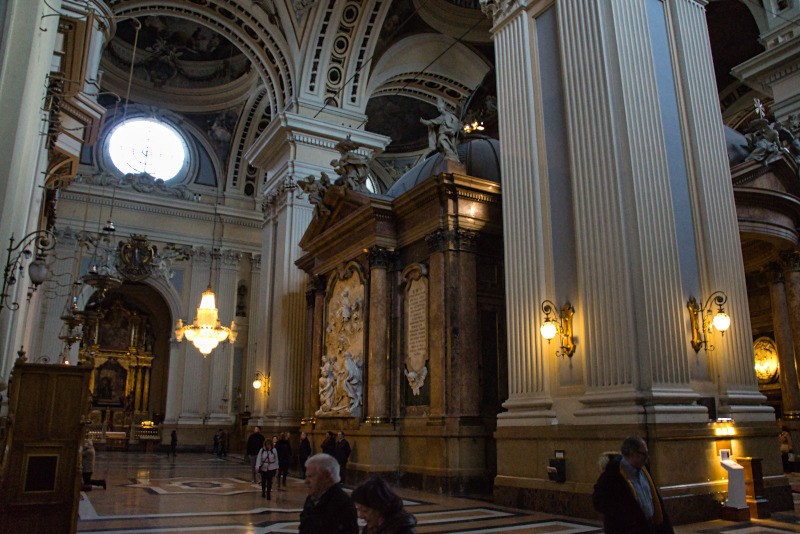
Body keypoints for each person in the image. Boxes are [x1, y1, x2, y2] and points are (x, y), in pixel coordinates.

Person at [592, 436, 673, 534]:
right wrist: (625, 517)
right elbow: (598, 501)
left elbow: (655, 499)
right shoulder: (613, 474)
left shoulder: (644, 470)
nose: (647, 457)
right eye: (644, 454)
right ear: (632, 454)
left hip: (648, 528)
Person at [299, 453, 358, 534]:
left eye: (310, 476)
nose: (306, 481)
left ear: (326, 476)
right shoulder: (312, 499)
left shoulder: (342, 505)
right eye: (306, 477)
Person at [351, 477, 417, 533]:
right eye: (358, 509)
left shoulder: (402, 530)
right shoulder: (373, 527)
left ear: (380, 508)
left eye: (365, 510)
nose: (360, 516)